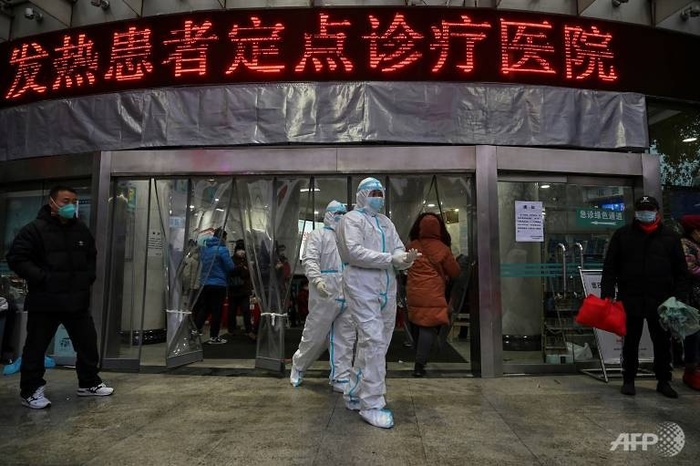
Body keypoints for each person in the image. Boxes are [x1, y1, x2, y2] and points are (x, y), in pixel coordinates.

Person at [6, 185, 114, 409]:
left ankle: (88, 383)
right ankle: (31, 391)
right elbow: (17, 258)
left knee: (87, 343)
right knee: (36, 348)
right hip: (46, 300)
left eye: (74, 201)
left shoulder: (81, 229)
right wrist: (42, 278)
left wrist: (87, 278)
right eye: (65, 201)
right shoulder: (34, 230)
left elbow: (91, 256)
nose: (70, 205)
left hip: (77, 300)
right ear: (52, 202)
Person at [336, 177, 418, 429]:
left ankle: (354, 392)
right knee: (373, 340)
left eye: (381, 193)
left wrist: (405, 259)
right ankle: (372, 404)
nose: (378, 198)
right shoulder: (351, 220)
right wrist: (391, 259)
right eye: (373, 193)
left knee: (377, 344)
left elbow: (397, 249)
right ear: (361, 195)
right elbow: (354, 252)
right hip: (361, 284)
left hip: (386, 287)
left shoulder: (385, 222)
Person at [600, 195, 689, 398]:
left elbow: (681, 272)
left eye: (649, 209)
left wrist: (679, 297)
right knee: (630, 342)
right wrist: (607, 293)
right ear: (636, 212)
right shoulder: (622, 235)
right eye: (642, 209)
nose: (645, 212)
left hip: (662, 301)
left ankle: (664, 381)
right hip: (630, 298)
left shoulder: (670, 237)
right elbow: (610, 267)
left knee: (662, 343)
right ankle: (628, 379)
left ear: (657, 212)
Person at [290, 200, 356, 393]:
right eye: (337, 214)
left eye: (343, 214)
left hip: (348, 294)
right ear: (328, 215)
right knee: (314, 336)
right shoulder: (318, 235)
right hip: (325, 294)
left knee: (345, 339)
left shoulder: (349, 238)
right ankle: (298, 366)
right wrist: (317, 280)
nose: (340, 217)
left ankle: (341, 377)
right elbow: (309, 260)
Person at [406, 213, 461, 377]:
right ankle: (419, 364)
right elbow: (455, 272)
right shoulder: (442, 248)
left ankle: (419, 355)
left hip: (414, 292)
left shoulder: (412, 246)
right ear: (438, 228)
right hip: (433, 293)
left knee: (417, 323)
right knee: (427, 327)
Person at [194, 228, 235, 345]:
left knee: (205, 308)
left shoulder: (205, 249)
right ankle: (214, 336)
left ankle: (195, 330)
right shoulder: (222, 249)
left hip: (205, 283)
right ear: (223, 238)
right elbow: (230, 267)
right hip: (218, 284)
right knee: (217, 311)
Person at [679, 214, 700, 390]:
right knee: (693, 334)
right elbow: (690, 268)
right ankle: (691, 371)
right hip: (692, 297)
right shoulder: (685, 245)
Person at [228, 240, 255, 341]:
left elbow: (247, 273)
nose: (242, 252)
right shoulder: (234, 260)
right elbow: (231, 272)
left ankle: (247, 329)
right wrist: (241, 268)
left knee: (245, 310)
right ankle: (233, 329)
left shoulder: (244, 260)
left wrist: (239, 269)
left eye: (243, 250)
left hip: (242, 290)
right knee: (233, 310)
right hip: (235, 289)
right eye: (240, 250)